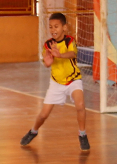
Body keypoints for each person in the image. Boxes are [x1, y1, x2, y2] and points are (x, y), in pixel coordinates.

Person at [20, 12, 90, 152]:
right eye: (51, 27)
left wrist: (60, 55)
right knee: (43, 115)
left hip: (73, 79)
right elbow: (47, 62)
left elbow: (72, 54)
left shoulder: (70, 41)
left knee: (80, 105)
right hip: (56, 83)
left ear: (64, 27)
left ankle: (82, 134)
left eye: (56, 26)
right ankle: (33, 131)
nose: (53, 30)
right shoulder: (48, 44)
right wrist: (48, 62)